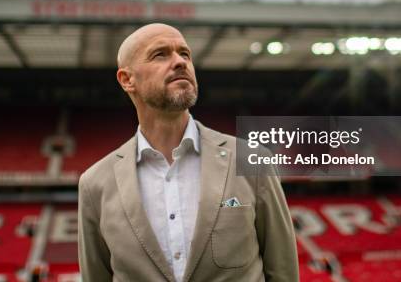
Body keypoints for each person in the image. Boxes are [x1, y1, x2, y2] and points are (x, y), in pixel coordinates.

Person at [78, 23, 299, 281]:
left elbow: (283, 273)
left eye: (184, 54)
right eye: (160, 54)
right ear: (127, 80)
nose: (180, 62)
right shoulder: (94, 184)